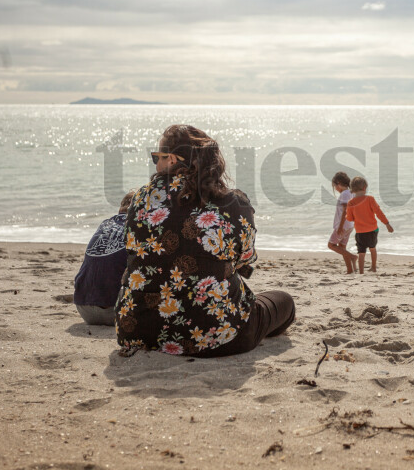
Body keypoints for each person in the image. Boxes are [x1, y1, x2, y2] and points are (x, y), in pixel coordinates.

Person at [114, 124, 295, 357]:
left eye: (156, 157)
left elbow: (133, 249)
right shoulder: (234, 204)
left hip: (136, 329)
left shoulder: (139, 199)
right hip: (215, 334)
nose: (155, 164)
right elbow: (245, 260)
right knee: (284, 303)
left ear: (171, 160)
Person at [74, 189, 137, 326]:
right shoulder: (139, 227)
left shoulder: (105, 224)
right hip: (115, 312)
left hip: (84, 308)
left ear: (121, 207)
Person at [345, 176, 393, 274]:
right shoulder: (370, 199)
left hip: (360, 232)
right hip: (372, 230)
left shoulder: (351, 203)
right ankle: (373, 267)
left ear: (352, 189)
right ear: (365, 188)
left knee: (361, 253)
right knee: (373, 248)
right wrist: (387, 224)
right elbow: (379, 213)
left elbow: (349, 218)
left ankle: (361, 272)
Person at [327, 172, 357, 274]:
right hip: (350, 225)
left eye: (335, 186)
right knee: (342, 247)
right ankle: (349, 270)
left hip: (343, 225)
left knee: (331, 245)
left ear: (339, 183)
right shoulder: (351, 193)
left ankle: (353, 257)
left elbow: (345, 210)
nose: (335, 188)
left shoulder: (344, 194)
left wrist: (340, 227)